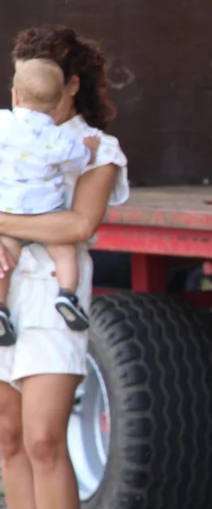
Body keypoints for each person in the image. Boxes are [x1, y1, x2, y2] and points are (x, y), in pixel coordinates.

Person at [0, 24, 129, 509]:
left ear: (72, 84)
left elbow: (77, 226)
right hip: (4, 289)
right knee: (8, 441)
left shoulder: (97, 149)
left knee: (43, 441)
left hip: (55, 296)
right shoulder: (6, 135)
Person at [0, 59, 102, 346]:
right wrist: (90, 150)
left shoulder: (4, 124)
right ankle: (67, 295)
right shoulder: (59, 137)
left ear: (15, 95)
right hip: (46, 215)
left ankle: (0, 309)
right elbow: (81, 160)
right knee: (65, 252)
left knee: (3, 262)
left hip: (8, 212)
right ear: (59, 100)